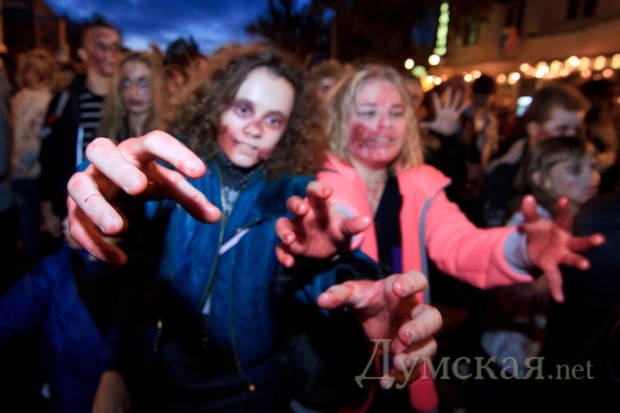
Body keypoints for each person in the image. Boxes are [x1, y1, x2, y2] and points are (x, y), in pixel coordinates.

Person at [66, 43, 442, 413]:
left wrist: (365, 286)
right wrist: (106, 195)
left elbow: (316, 270)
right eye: (243, 108)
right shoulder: (171, 172)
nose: (256, 128)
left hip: (248, 392)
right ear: (216, 104)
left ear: (289, 130)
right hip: (156, 382)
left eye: (274, 119)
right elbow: (131, 276)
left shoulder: (290, 193)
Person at [273, 64, 604, 413]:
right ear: (340, 119)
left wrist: (521, 248)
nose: (384, 123)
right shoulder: (321, 181)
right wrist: (331, 230)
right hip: (334, 369)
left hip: (403, 351)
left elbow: (462, 244)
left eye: (395, 113)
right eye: (368, 112)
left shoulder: (421, 184)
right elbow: (336, 206)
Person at [473, 136, 601, 412]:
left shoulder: (582, 220)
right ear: (540, 179)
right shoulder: (528, 224)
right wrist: (544, 283)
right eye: (574, 169)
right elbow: (508, 296)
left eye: (593, 166)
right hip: (508, 357)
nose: (591, 177)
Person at [0, 218, 133, 413]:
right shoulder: (58, 265)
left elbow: (127, 337)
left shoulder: (134, 279)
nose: (64, 222)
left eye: (83, 216)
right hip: (55, 385)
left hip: (92, 396)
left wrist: (113, 371)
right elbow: (16, 306)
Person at [38, 16, 122, 247]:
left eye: (115, 46)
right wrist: (48, 207)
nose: (110, 53)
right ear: (83, 54)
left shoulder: (130, 103)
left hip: (117, 209)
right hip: (72, 205)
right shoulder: (65, 101)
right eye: (100, 46)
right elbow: (49, 156)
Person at [481, 83, 591, 228]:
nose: (571, 137)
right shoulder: (504, 174)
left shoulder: (583, 165)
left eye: (577, 130)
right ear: (534, 129)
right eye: (562, 129)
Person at [10, 48, 59, 267]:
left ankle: (35, 271)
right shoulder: (19, 97)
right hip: (18, 173)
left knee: (32, 229)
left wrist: (18, 165)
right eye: (27, 68)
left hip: (32, 173)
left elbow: (38, 140)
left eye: (34, 69)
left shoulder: (46, 100)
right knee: (24, 228)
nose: (29, 73)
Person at [97, 51, 166, 140]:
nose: (133, 91)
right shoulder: (107, 133)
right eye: (126, 82)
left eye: (143, 82)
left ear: (157, 86)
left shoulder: (170, 135)